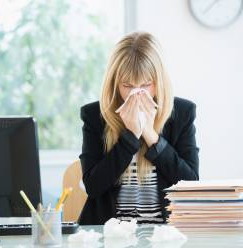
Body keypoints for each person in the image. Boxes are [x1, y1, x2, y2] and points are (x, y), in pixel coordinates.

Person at [78, 32, 199, 225]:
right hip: (111, 234)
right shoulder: (94, 115)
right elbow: (93, 187)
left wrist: (150, 134)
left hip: (165, 234)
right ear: (115, 83)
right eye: (127, 86)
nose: (136, 94)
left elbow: (190, 184)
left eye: (145, 85)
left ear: (158, 82)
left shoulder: (182, 113)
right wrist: (130, 137)